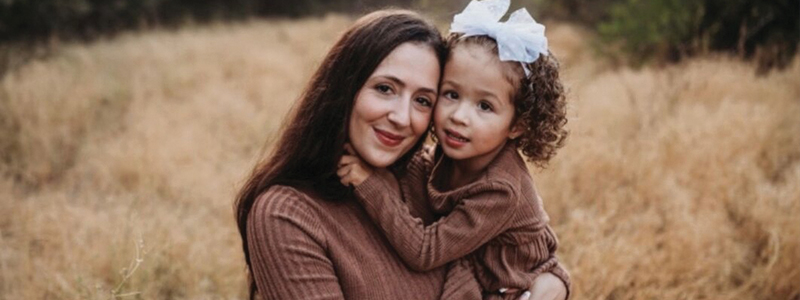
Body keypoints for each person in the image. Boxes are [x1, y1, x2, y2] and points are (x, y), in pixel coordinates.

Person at [235, 9, 568, 300]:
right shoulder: (287, 215)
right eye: (385, 89)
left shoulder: (424, 172)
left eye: (422, 99)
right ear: (345, 86)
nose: (401, 117)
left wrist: (554, 281)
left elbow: (525, 252)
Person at [336, 1, 570, 299]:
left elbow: (425, 251)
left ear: (517, 125)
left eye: (484, 106)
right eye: (451, 94)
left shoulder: (500, 189)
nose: (459, 116)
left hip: (512, 289)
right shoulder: (453, 154)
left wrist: (370, 183)